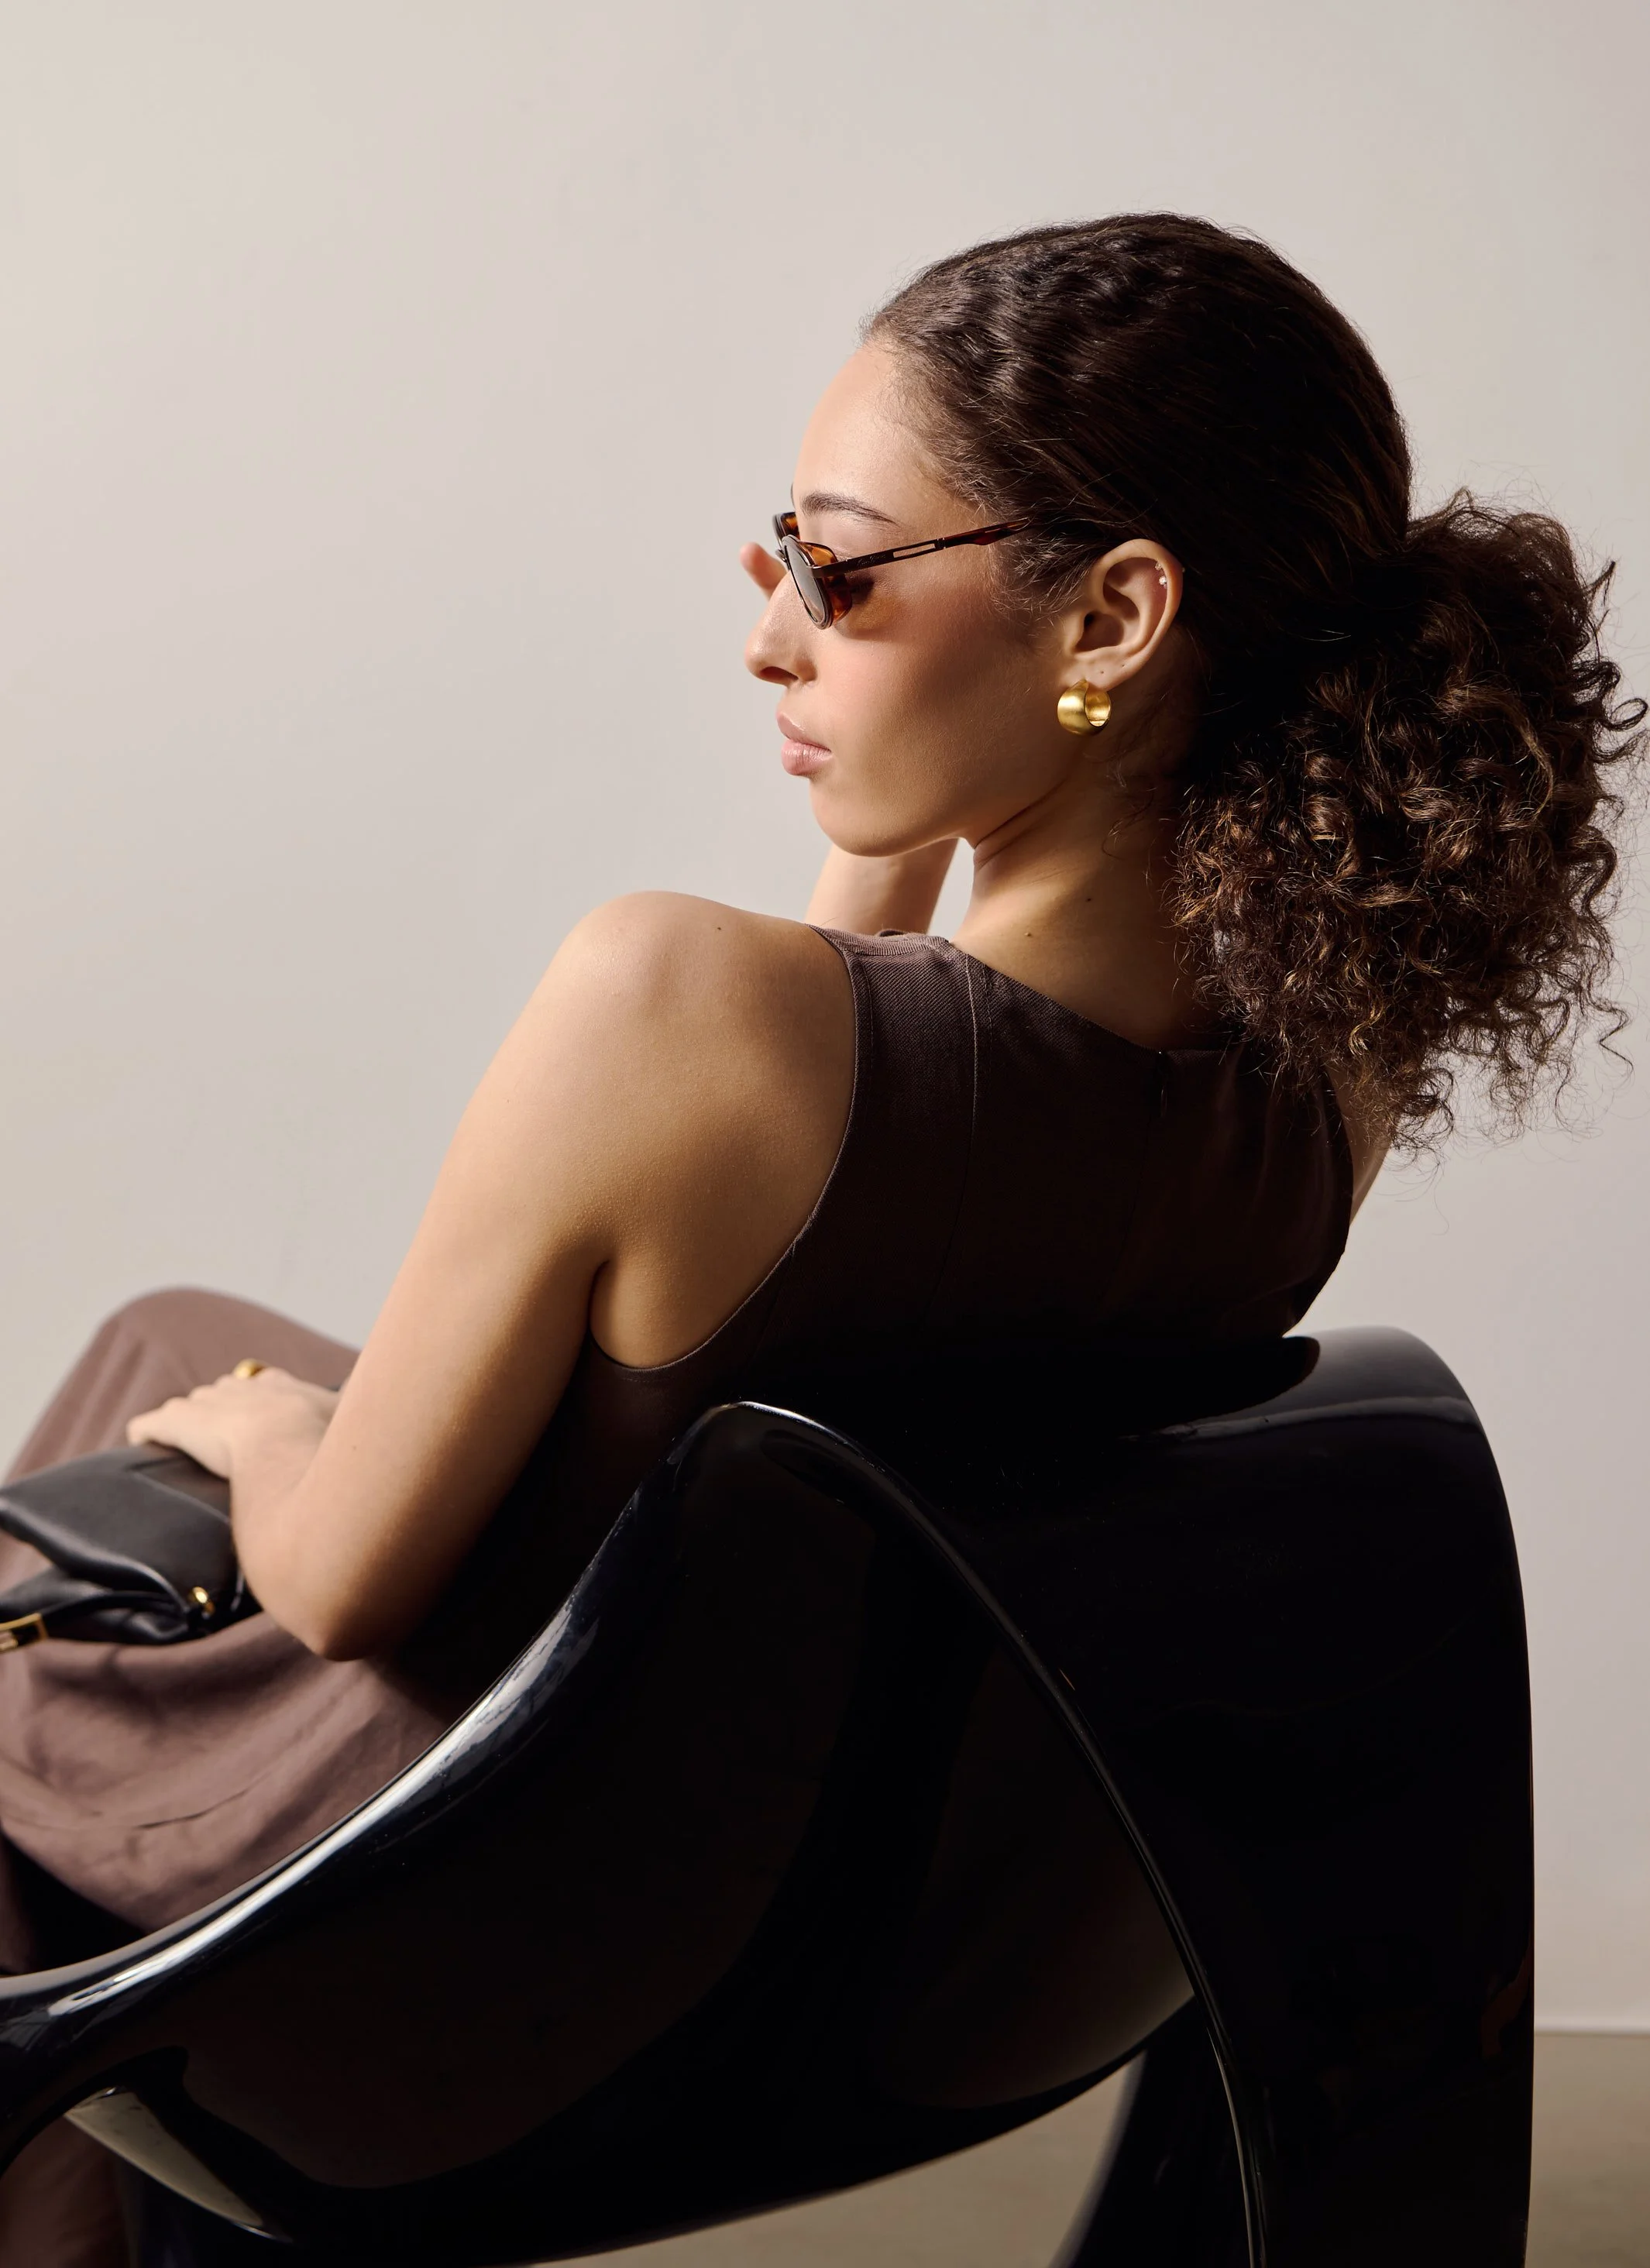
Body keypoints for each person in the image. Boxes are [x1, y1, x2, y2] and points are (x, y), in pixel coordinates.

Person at [0, 212, 1638, 2261]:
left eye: (841, 572)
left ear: (1115, 616)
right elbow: (878, 1170)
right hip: (861, 1973)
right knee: (177, 1332)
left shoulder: (668, 1020)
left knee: (176, 1412)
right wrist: (920, 784)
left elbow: (340, 1583)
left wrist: (255, 1445)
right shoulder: (1319, 1084)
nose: (771, 637)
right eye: (776, 557)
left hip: (418, 1960)